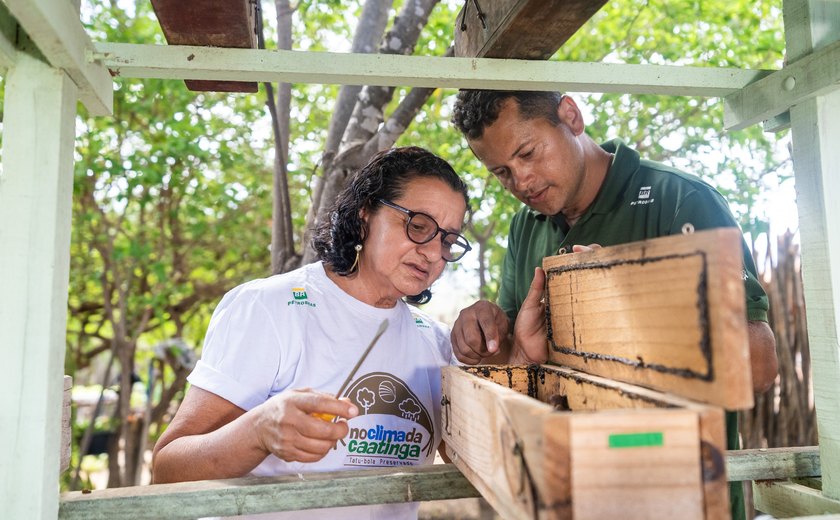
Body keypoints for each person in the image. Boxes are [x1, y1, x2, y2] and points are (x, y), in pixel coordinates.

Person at [449, 90, 778, 520]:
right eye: (502, 173)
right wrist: (492, 344)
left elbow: (758, 366)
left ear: (571, 116)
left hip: (680, 499)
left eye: (528, 153)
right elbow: (518, 372)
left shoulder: (681, 200)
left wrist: (627, 299)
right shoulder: (524, 226)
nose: (522, 182)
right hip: (567, 498)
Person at [152, 146, 472, 520]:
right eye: (418, 226)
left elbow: (480, 461)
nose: (433, 253)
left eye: (448, 240)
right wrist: (258, 432)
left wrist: (503, 350)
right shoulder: (270, 308)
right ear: (365, 213)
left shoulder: (436, 344)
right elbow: (168, 470)